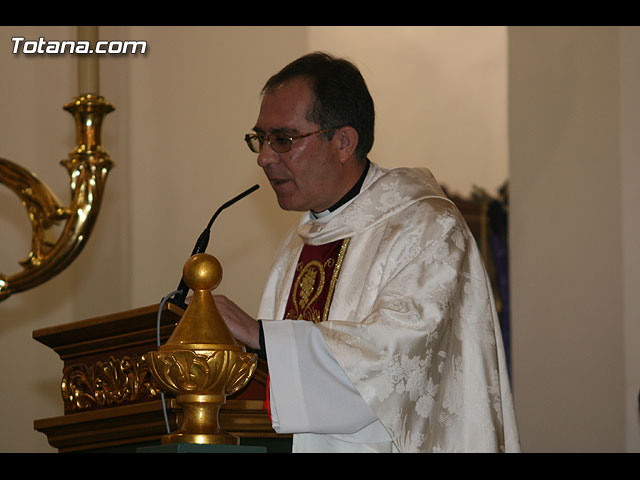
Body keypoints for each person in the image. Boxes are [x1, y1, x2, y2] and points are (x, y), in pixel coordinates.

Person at [213, 52, 520, 453]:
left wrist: (262, 337)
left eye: (283, 139)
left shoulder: (426, 227)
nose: (264, 157)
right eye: (261, 138)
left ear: (343, 141)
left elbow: (394, 363)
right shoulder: (301, 240)